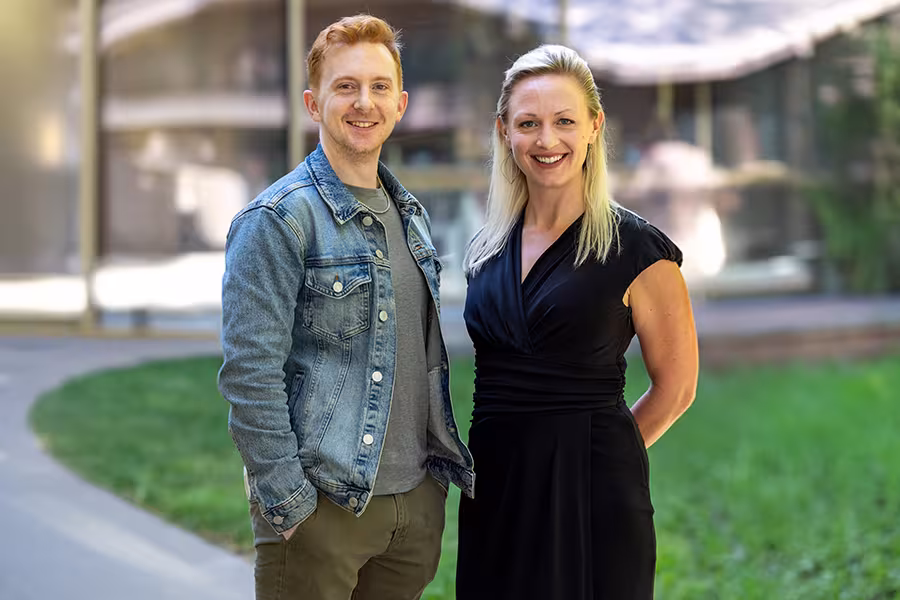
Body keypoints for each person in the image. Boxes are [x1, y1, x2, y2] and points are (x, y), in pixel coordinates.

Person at [217, 15, 474, 600]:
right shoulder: (277, 220)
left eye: (380, 86)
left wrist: (428, 494)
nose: (364, 102)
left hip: (412, 510)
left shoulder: (411, 216)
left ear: (401, 104)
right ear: (314, 103)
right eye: (346, 86)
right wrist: (292, 506)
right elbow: (249, 374)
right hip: (324, 511)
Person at [456, 45, 699, 600]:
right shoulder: (486, 250)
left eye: (565, 121)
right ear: (504, 132)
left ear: (594, 126)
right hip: (495, 489)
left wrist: (601, 459)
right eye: (529, 123)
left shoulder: (637, 249)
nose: (547, 140)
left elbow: (678, 388)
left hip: (594, 495)